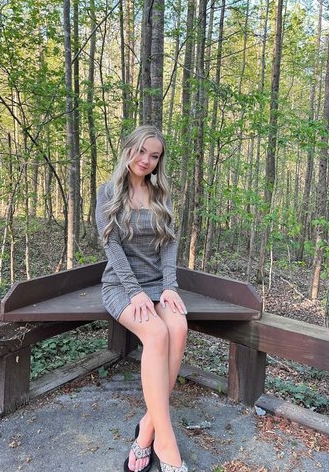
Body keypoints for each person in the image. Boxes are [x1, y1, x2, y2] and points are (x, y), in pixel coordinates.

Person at [95, 125, 189, 472]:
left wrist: (169, 286)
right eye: (141, 151)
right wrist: (135, 292)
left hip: (158, 285)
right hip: (122, 286)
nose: (146, 160)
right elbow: (111, 246)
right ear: (128, 149)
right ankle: (166, 443)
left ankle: (147, 429)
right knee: (157, 333)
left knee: (178, 328)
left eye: (154, 155)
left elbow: (169, 244)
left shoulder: (160, 193)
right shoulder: (108, 192)